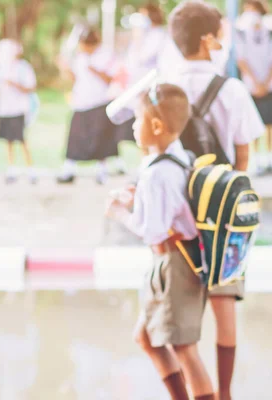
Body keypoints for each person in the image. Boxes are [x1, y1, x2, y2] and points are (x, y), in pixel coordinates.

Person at [167, 3, 266, 399]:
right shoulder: (233, 89)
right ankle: (224, 393)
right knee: (225, 306)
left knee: (181, 315)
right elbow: (243, 156)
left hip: (180, 212)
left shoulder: (164, 87)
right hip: (222, 213)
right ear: (208, 40)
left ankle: (194, 388)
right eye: (223, 33)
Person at [107, 83, 213, 400]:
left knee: (184, 348)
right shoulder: (177, 156)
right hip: (173, 262)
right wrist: (135, 198)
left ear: (155, 126)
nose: (133, 127)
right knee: (147, 337)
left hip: (175, 264)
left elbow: (152, 230)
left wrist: (119, 213)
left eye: (137, 120)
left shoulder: (157, 174)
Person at [56, 27, 119, 185]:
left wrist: (94, 69)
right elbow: (77, 78)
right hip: (81, 102)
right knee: (75, 137)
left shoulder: (105, 55)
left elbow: (111, 78)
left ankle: (101, 171)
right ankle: (68, 170)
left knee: (100, 138)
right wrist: (65, 68)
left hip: (99, 102)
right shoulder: (80, 57)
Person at [236, 0, 272, 175]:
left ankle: (269, 157)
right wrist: (256, 83)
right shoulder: (241, 33)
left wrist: (266, 82)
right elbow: (241, 60)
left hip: (269, 85)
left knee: (269, 122)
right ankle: (257, 159)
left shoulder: (269, 31)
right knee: (254, 122)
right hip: (251, 86)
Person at [0, 39, 38, 184]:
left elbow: (30, 87)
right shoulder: (0, 67)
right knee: (8, 140)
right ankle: (11, 169)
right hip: (5, 109)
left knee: (22, 139)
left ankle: (31, 169)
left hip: (18, 109)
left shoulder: (23, 67)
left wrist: (13, 83)